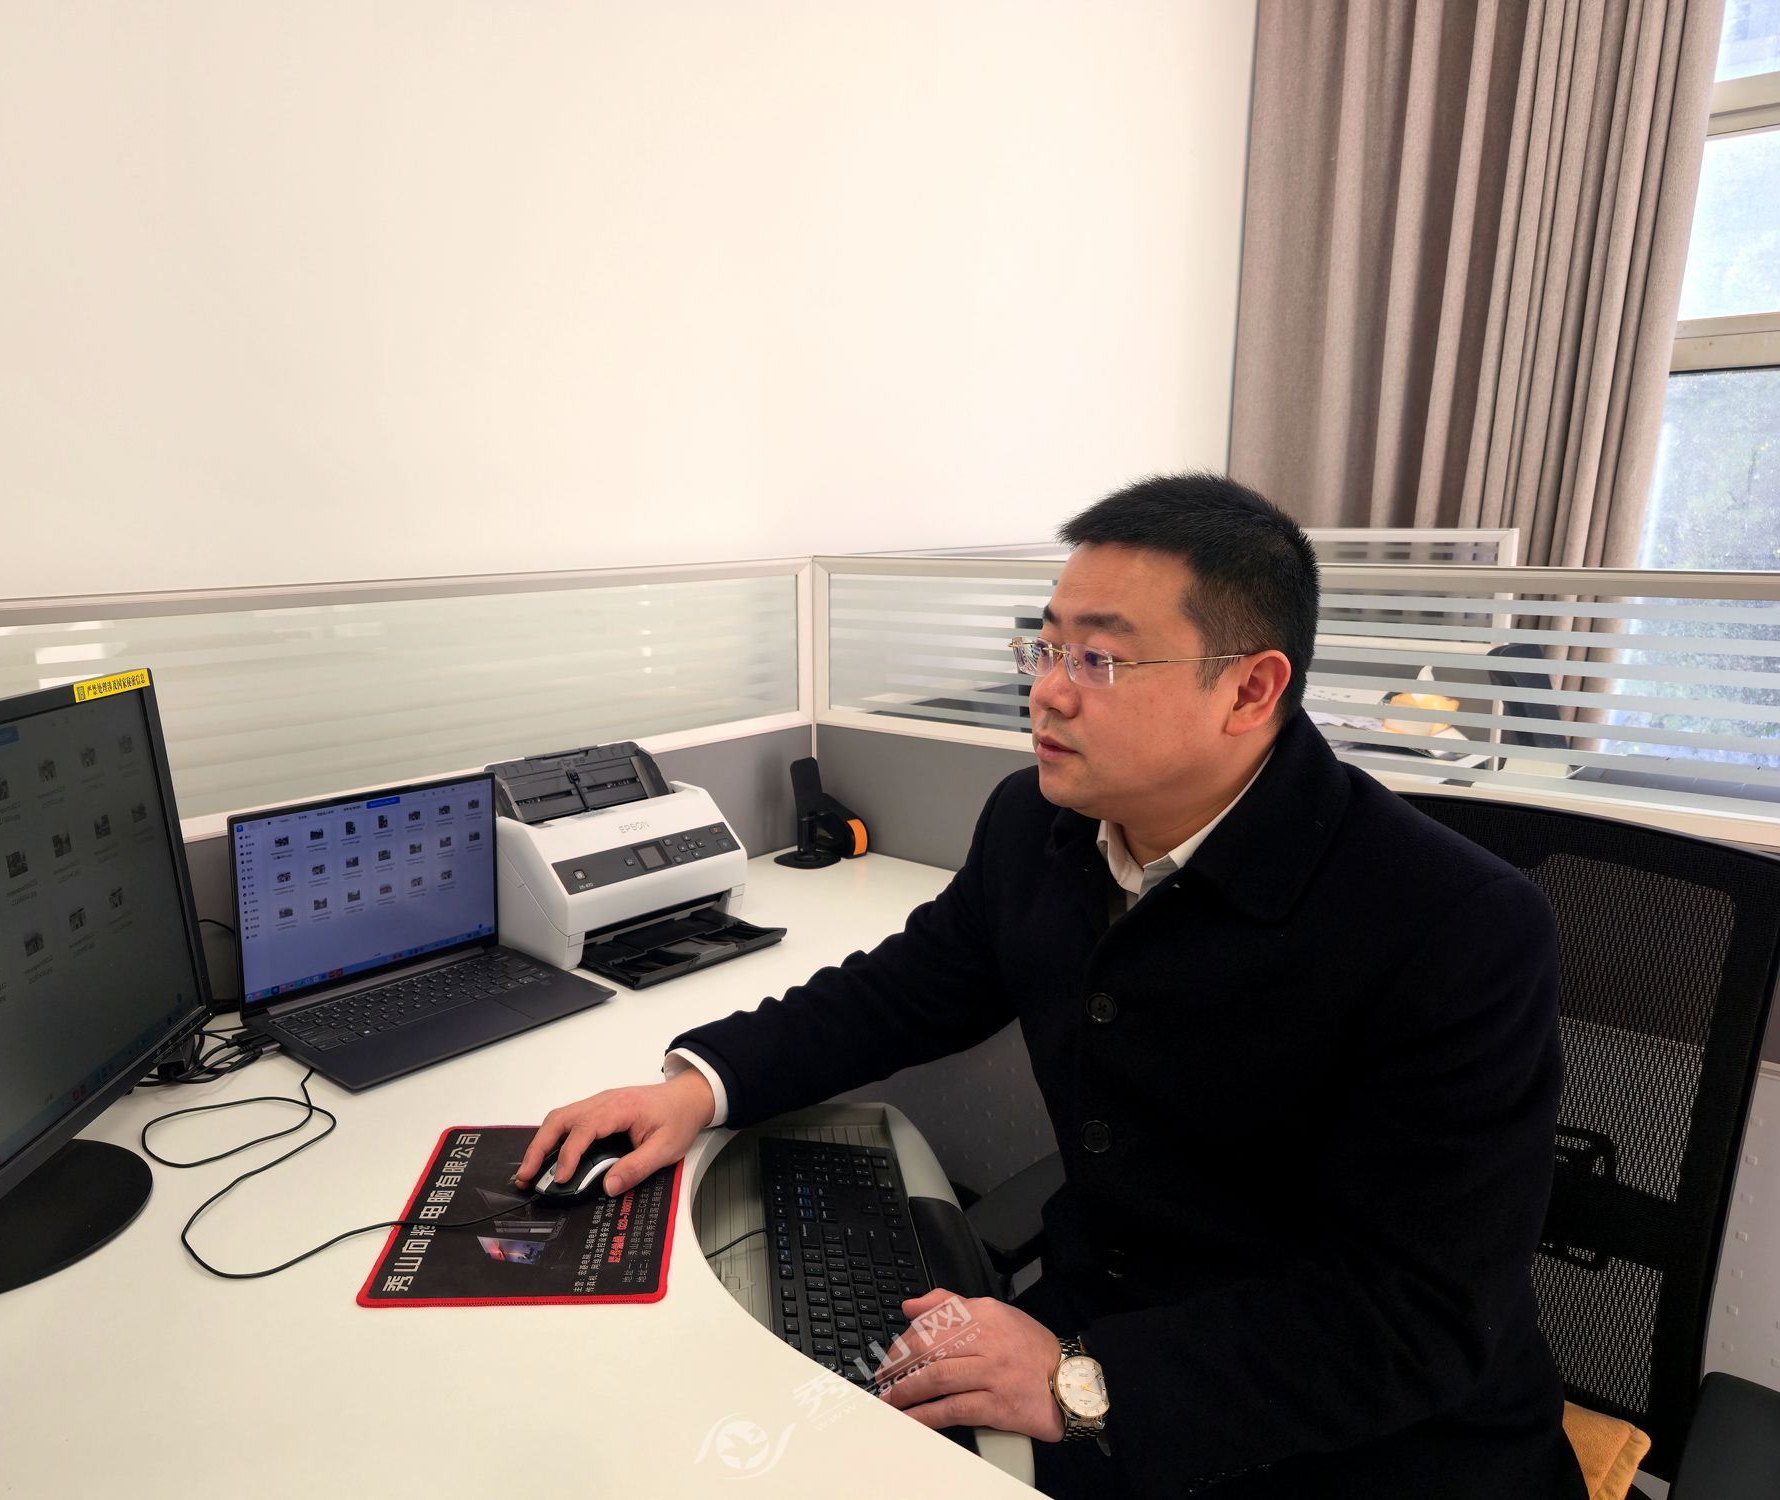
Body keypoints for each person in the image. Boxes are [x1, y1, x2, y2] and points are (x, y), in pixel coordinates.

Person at [515, 473, 1584, 1499]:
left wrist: (1084, 1380)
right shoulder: (1041, 822)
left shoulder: (1452, 926)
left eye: (1099, 660)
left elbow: (1416, 1319)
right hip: (1092, 1335)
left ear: (1250, 690)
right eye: (1046, 644)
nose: (1047, 690)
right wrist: (700, 1086)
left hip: (1343, 1438)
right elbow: (908, 988)